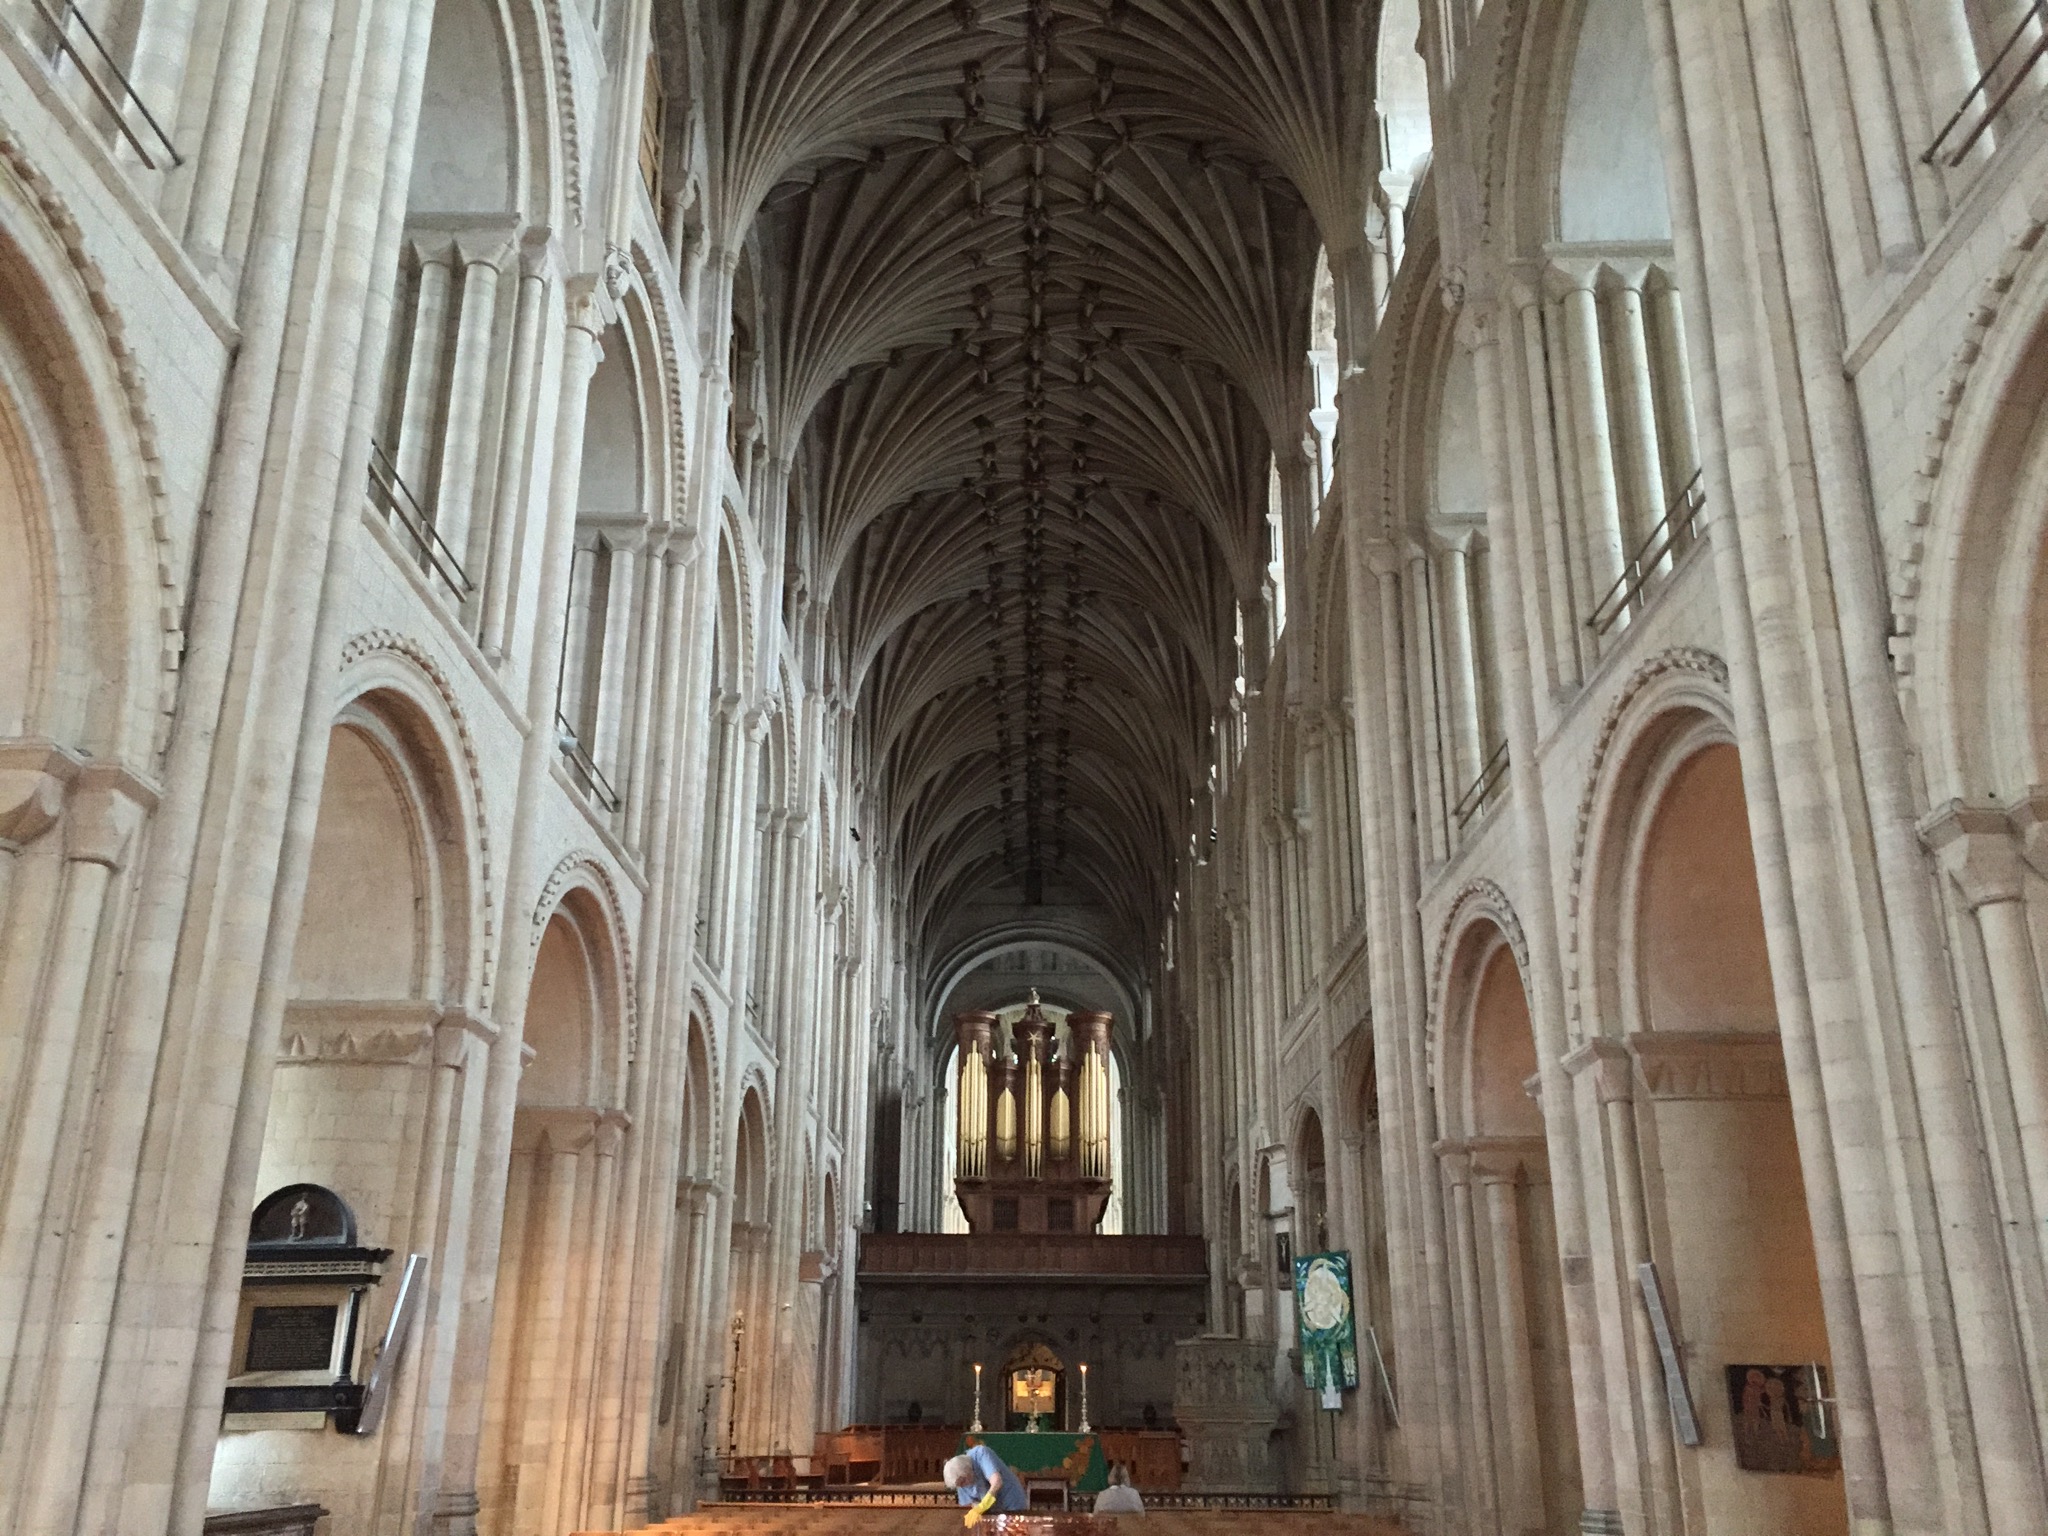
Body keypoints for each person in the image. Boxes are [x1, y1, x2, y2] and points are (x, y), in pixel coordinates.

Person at [944, 1445, 1028, 1526]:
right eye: (959, 1485)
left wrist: (982, 1506)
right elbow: (970, 1503)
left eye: (963, 1482)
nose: (962, 1487)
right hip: (992, 1511)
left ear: (968, 1470)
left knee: (1014, 1529)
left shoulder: (981, 1453)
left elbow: (997, 1482)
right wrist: (977, 1509)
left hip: (1011, 1500)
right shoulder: (959, 1478)